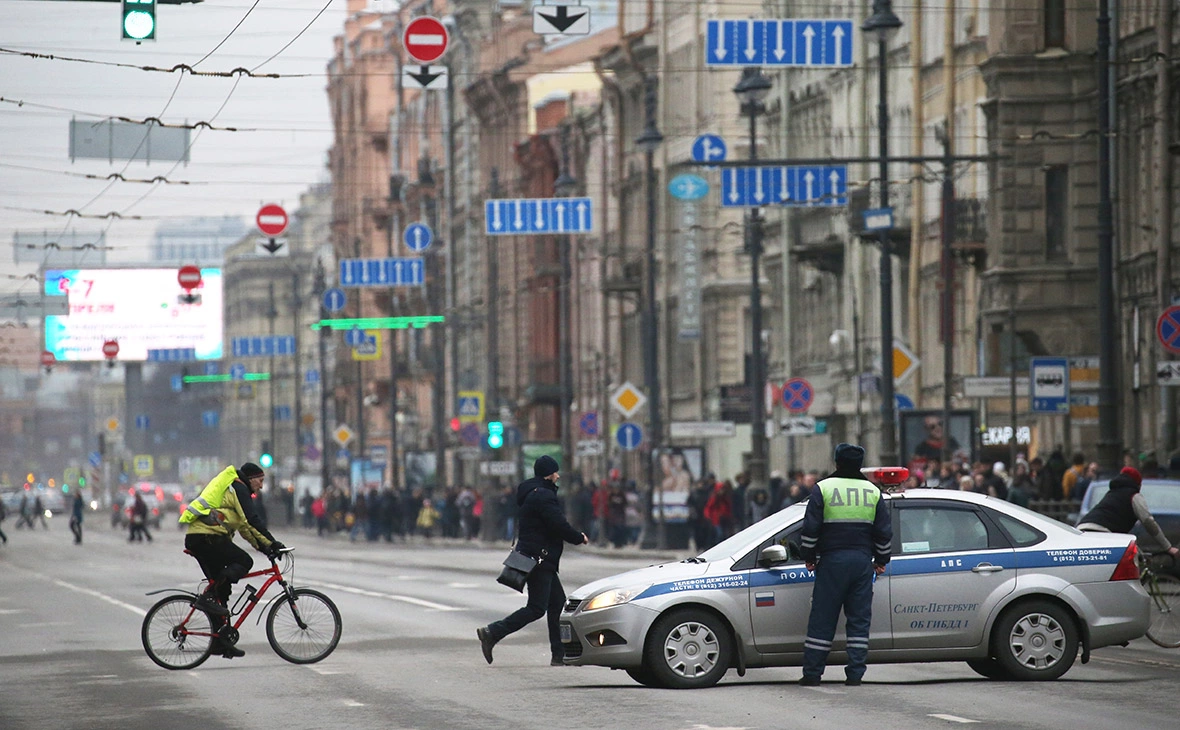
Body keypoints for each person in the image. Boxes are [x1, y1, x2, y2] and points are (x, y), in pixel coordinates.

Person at [477, 455, 587, 667]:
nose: (558, 476)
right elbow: (558, 524)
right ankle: (493, 632)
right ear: (549, 474)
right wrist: (578, 537)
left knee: (557, 605)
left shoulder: (532, 493)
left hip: (537, 557)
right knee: (537, 607)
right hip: (540, 559)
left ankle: (560, 654)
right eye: (555, 472)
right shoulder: (543, 496)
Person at [798, 443, 892, 687]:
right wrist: (881, 561)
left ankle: (813, 674)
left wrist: (809, 556)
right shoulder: (872, 491)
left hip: (831, 562)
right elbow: (884, 533)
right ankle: (855, 674)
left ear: (836, 463)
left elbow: (810, 529)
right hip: (862, 563)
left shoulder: (824, 488)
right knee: (859, 620)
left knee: (823, 618)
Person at [180, 462, 285, 659]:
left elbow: (246, 528)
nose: (261, 486)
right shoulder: (238, 487)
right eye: (260, 481)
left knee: (222, 594)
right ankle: (209, 597)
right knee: (244, 561)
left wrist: (266, 548)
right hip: (206, 537)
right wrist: (274, 541)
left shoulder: (234, 491)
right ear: (251, 478)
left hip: (202, 537)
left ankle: (220, 643)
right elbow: (253, 518)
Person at [1077, 467, 1180, 559]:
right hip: (1102, 533)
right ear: (1138, 484)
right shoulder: (1134, 496)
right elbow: (1149, 522)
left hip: (1081, 530)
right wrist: (1168, 547)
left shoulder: (1111, 494)